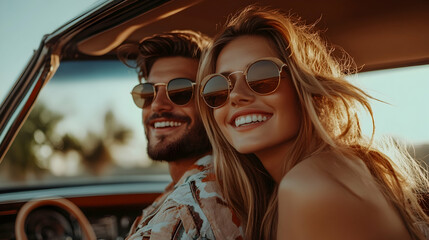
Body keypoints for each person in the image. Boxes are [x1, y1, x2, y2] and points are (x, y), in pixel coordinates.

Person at [196, 5, 429, 240]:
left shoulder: (304, 186)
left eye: (262, 76)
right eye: (219, 86)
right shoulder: (340, 167)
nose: (236, 95)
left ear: (306, 88)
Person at [120, 30, 244, 239]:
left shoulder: (185, 209)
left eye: (180, 91)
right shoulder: (206, 184)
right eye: (148, 92)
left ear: (214, 99)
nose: (157, 105)